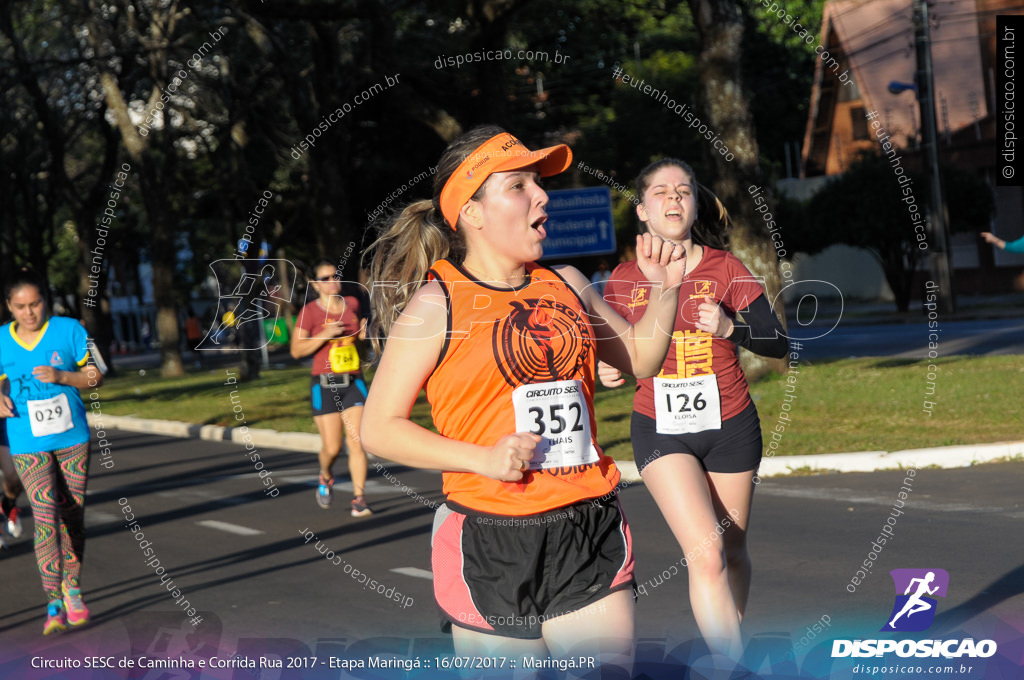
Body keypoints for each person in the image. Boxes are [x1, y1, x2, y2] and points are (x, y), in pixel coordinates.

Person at [360, 125, 686, 671]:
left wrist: (667, 288)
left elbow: (640, 358)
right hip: (490, 538)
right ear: (472, 211)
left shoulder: (566, 280)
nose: (542, 196)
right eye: (519, 186)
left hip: (586, 522)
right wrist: (482, 458)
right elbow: (379, 427)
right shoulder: (436, 305)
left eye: (539, 183)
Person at [600, 158, 789, 661]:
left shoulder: (725, 267)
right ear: (642, 210)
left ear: (695, 203)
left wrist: (732, 328)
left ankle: (732, 648)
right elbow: (608, 349)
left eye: (683, 190)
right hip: (661, 430)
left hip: (731, 425)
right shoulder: (622, 280)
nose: (674, 198)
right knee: (705, 556)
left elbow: (777, 343)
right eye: (660, 191)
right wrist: (607, 368)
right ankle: (733, 667)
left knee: (731, 552)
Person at [0, 269, 101, 634]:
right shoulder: (1, 340)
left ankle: (72, 588)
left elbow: (96, 375)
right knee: (45, 517)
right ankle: (53, 602)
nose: (30, 313)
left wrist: (63, 377)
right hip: (28, 442)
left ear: (45, 299)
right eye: (21, 306)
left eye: (36, 303)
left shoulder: (69, 330)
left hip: (72, 438)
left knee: (72, 518)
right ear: (9, 307)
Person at [290, 259, 373, 516]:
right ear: (315, 284)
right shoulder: (310, 313)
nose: (332, 281)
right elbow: (296, 351)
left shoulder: (353, 304)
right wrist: (324, 334)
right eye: (325, 279)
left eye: (334, 276)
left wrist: (362, 337)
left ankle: (359, 498)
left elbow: (362, 345)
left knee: (358, 442)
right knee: (333, 448)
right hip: (324, 385)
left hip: (352, 381)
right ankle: (325, 474)